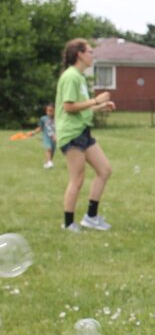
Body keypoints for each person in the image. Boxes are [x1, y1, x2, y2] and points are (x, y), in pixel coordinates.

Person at [55, 38, 116, 232]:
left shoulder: (80, 77)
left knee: (104, 170)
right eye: (90, 52)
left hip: (82, 130)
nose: (92, 55)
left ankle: (91, 217)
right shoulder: (71, 76)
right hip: (71, 134)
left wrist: (100, 106)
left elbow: (81, 108)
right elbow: (68, 107)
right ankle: (68, 223)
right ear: (80, 54)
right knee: (77, 179)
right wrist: (95, 100)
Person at [30, 103, 57, 169]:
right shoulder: (43, 119)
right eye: (47, 111)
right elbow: (40, 128)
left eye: (51, 111)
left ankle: (48, 162)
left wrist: (57, 136)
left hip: (54, 138)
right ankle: (49, 163)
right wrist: (33, 132)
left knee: (52, 151)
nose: (49, 112)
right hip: (46, 137)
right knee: (48, 148)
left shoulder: (58, 119)